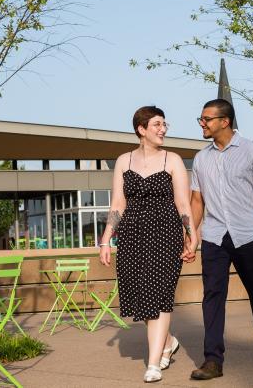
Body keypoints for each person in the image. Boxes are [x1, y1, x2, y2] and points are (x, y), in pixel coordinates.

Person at [99, 105, 197, 383]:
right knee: (139, 296)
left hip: (165, 233)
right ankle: (167, 341)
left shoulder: (173, 160)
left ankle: (153, 363)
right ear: (141, 129)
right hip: (131, 235)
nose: (163, 129)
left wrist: (191, 234)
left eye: (164, 124)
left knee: (160, 294)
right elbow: (118, 203)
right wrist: (106, 238)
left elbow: (182, 203)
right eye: (156, 124)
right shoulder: (123, 161)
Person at [188, 99, 253, 380]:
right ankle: (212, 361)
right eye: (201, 118)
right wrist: (192, 237)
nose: (202, 123)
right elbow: (197, 200)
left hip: (248, 236)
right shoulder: (201, 158)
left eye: (206, 119)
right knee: (212, 297)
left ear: (224, 121)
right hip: (215, 238)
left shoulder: (251, 151)